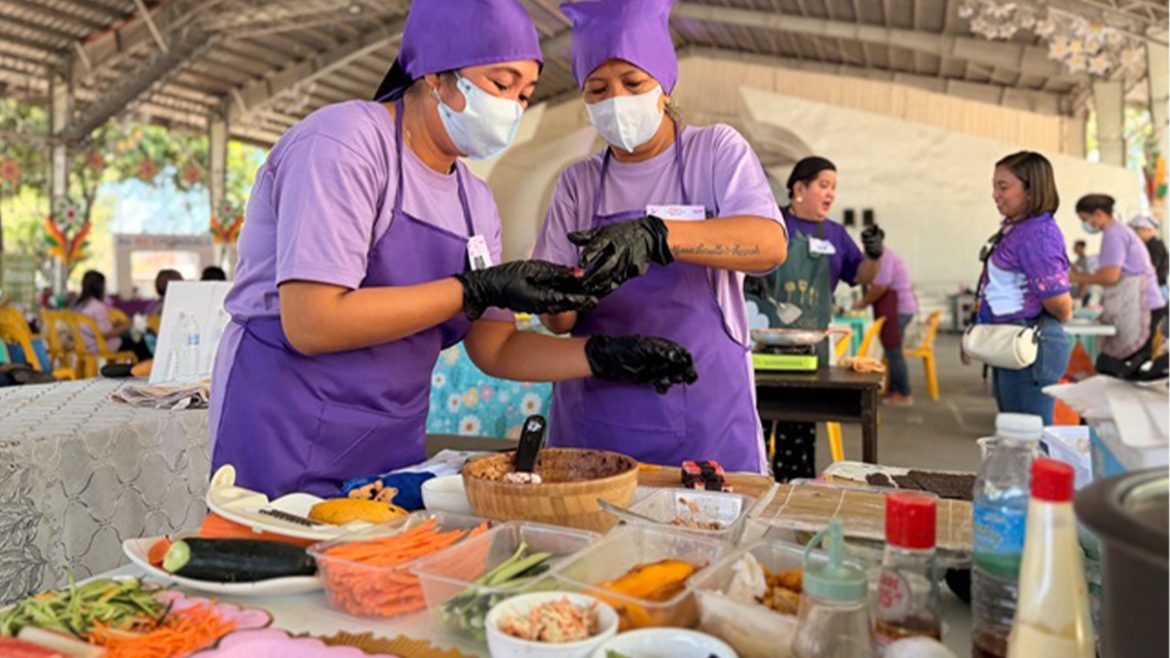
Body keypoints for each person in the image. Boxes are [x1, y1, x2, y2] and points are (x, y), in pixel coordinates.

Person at [209, 0, 696, 498]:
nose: (512, 107)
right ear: (436, 75)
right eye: (500, 85)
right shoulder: (345, 143)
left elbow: (495, 347)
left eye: (525, 94)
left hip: (390, 441)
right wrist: (472, 289)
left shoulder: (475, 202)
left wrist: (601, 356)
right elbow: (312, 321)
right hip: (286, 424)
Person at [532, 0, 788, 474]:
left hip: (703, 418)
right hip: (595, 419)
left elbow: (768, 244)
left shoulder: (713, 152)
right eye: (597, 89)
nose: (616, 101)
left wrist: (658, 237)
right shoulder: (578, 183)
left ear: (664, 85)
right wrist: (550, 290)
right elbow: (560, 324)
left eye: (633, 84)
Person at [756, 156, 878, 481]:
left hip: (811, 352)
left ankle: (791, 498)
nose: (831, 194)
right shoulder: (770, 225)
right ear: (799, 188)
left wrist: (875, 255)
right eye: (824, 185)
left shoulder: (835, 235)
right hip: (761, 348)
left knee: (798, 439)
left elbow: (861, 273)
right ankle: (751, 492)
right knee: (752, 434)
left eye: (834, 187)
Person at [963, 152, 1072, 424]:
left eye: (1003, 186)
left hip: (1031, 350)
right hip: (1011, 343)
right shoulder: (1016, 229)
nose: (995, 194)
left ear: (1031, 190)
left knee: (1031, 438)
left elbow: (1060, 304)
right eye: (994, 186)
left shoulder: (1038, 234)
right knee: (1016, 437)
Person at [1070, 195, 1167, 365]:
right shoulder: (1117, 231)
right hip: (1144, 305)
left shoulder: (1114, 233)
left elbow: (1111, 276)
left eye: (1086, 219)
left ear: (1099, 214)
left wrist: (1076, 277)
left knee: (1125, 365)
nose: (1086, 225)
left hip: (1145, 307)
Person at [852, 225, 918, 405]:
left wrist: (861, 303)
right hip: (894, 308)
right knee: (891, 351)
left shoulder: (886, 258)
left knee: (893, 351)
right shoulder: (877, 258)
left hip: (899, 309)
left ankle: (904, 393)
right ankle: (893, 390)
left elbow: (880, 287)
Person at [73, 270, 153, 361]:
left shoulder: (79, 306)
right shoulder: (98, 307)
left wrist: (115, 324)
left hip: (84, 346)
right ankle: (149, 370)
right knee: (139, 343)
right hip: (102, 346)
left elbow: (94, 328)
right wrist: (127, 325)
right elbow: (106, 334)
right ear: (100, 286)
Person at [1129, 215, 1168, 290]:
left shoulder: (1154, 245)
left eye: (1137, 230)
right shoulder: (1149, 245)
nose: (1135, 234)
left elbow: (1149, 267)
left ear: (1148, 230)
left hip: (1156, 289)